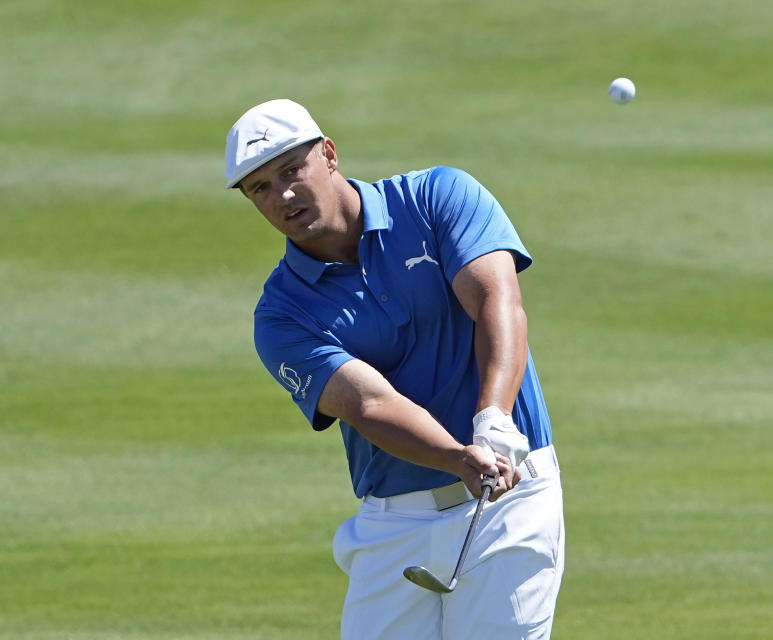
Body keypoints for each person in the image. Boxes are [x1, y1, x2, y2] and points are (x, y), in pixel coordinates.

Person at [224, 99, 564, 639]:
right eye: (260, 187)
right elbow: (369, 404)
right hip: (394, 522)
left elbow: (498, 300)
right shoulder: (281, 315)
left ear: (329, 154)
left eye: (292, 170)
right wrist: (457, 456)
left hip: (511, 499)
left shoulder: (436, 197)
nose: (282, 194)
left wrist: (494, 415)